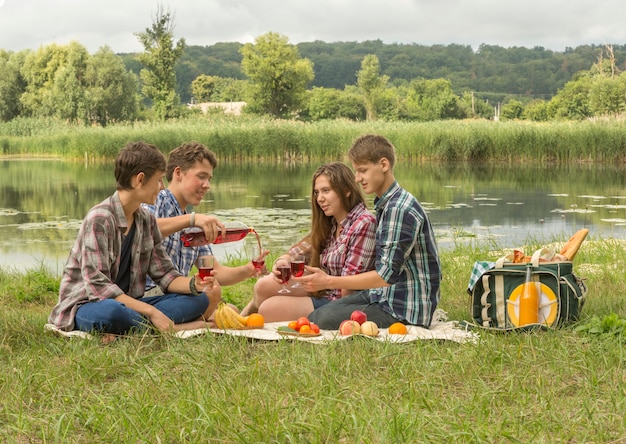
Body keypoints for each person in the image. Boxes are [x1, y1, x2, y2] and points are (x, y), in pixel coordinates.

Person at [48, 141, 216, 339]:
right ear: (140, 179)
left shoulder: (146, 220)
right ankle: (167, 326)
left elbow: (165, 275)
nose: (162, 187)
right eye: (159, 180)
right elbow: (99, 288)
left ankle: (133, 328)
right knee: (113, 313)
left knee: (200, 299)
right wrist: (152, 312)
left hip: (131, 303)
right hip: (88, 304)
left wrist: (193, 284)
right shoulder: (100, 218)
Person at [298, 134, 442, 329]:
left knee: (322, 319)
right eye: (356, 171)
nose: (357, 179)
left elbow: (385, 276)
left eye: (362, 171)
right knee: (317, 315)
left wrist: (328, 281)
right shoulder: (387, 204)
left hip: (404, 308)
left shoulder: (398, 209)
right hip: (385, 295)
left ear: (383, 165)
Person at [241, 162, 377, 322]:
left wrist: (322, 283)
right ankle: (238, 320)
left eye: (326, 191)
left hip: (340, 302)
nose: (320, 198)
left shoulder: (364, 223)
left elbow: (347, 291)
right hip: (323, 289)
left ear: (346, 190)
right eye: (317, 192)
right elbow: (297, 251)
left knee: (269, 309)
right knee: (263, 286)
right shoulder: (332, 222)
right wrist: (282, 261)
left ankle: (240, 321)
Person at [143, 141, 267, 306]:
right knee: (211, 295)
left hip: (176, 295)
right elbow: (143, 230)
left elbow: (217, 272)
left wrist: (248, 269)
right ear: (178, 173)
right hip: (149, 294)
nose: (207, 185)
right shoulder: (158, 199)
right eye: (201, 177)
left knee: (225, 303)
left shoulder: (194, 224)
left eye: (209, 179)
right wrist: (192, 220)